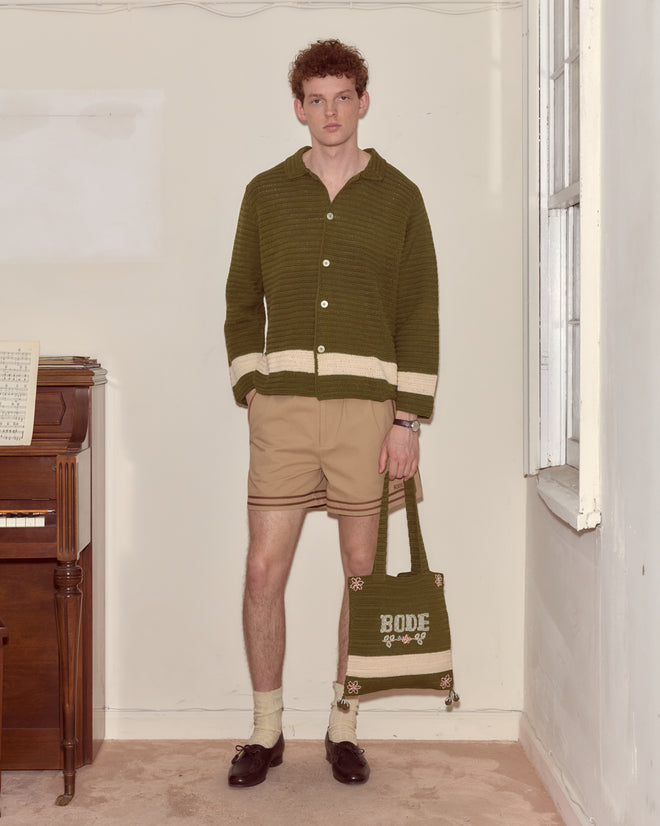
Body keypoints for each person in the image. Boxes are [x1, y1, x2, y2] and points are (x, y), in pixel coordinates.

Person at [224, 38, 438, 788]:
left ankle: (344, 726)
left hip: (367, 418)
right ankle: (264, 729)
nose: (330, 112)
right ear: (298, 108)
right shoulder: (266, 191)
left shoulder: (399, 196)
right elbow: (239, 301)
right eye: (316, 98)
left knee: (360, 573)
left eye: (343, 96)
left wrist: (407, 419)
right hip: (283, 416)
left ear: (364, 101)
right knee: (262, 571)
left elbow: (419, 312)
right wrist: (252, 386)